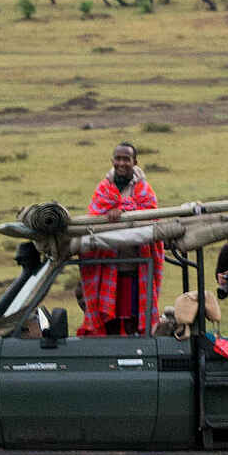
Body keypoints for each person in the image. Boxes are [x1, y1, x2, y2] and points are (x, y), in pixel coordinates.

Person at [79, 141, 164, 336]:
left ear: (135, 162)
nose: (122, 163)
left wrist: (123, 211)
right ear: (112, 160)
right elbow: (95, 213)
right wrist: (111, 213)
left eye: (126, 159)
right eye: (118, 158)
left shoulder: (144, 189)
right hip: (108, 267)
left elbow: (151, 214)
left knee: (135, 320)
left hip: (136, 268)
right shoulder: (104, 188)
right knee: (110, 321)